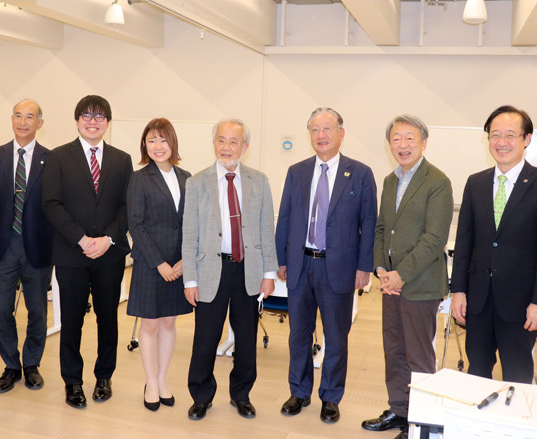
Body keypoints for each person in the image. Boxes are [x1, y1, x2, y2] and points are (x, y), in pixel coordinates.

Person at [451, 105, 537, 384]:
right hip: (477, 300)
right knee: (476, 369)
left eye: (510, 135)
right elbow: (464, 241)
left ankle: (513, 427)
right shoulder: (475, 183)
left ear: (526, 139)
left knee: (516, 374)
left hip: (521, 304)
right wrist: (458, 291)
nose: (501, 142)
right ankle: (476, 426)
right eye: (495, 135)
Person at [276, 107, 377, 423]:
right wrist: (281, 260)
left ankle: (331, 397)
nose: (321, 135)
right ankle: (299, 391)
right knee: (298, 334)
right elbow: (287, 218)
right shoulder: (297, 171)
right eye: (315, 130)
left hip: (339, 269)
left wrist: (364, 266)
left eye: (327, 129)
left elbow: (368, 223)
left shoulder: (359, 173)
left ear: (341, 133)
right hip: (300, 265)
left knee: (336, 337)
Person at [362, 115, 453, 439]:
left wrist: (403, 274)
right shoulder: (389, 181)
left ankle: (423, 424)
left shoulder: (437, 182)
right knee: (394, 351)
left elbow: (434, 238)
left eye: (409, 139)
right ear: (390, 145)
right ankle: (400, 410)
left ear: (423, 143)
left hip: (420, 285)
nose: (402, 145)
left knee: (418, 355)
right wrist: (381, 269)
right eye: (396, 139)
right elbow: (382, 228)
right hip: (391, 285)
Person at [182, 118, 277, 421]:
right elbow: (189, 234)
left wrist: (269, 274)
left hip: (248, 270)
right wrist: (190, 279)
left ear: (245, 147)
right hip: (211, 269)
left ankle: (241, 395)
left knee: (246, 340)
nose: (226, 147)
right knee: (205, 338)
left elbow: (266, 229)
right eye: (221, 140)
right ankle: (201, 396)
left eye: (233, 142)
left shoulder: (259, 181)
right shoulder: (197, 182)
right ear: (214, 144)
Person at [42, 95, 133, 409]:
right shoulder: (58, 157)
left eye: (99, 116)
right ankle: (73, 382)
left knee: (108, 319)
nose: (92, 122)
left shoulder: (122, 159)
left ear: (107, 122)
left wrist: (107, 238)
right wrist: (82, 239)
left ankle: (104, 377)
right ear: (77, 120)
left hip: (109, 254)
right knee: (71, 321)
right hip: (71, 254)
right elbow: (51, 204)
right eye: (86, 116)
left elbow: (126, 206)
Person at [0, 99, 53, 394]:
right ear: (11, 120)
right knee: (2, 310)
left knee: (36, 310)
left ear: (40, 123)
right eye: (18, 116)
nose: (23, 122)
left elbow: (53, 204)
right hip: (4, 244)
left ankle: (32, 364)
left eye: (30, 117)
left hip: (38, 246)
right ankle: (11, 366)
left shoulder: (51, 159)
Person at [126, 118, 192, 411]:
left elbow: (192, 224)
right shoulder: (139, 178)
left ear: (173, 143)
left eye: (163, 140)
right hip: (150, 264)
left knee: (169, 322)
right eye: (151, 141)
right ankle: (151, 381)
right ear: (144, 145)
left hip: (179, 263)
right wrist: (161, 264)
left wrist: (182, 261)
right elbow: (135, 226)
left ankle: (164, 378)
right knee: (150, 324)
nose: (158, 146)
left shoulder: (187, 177)